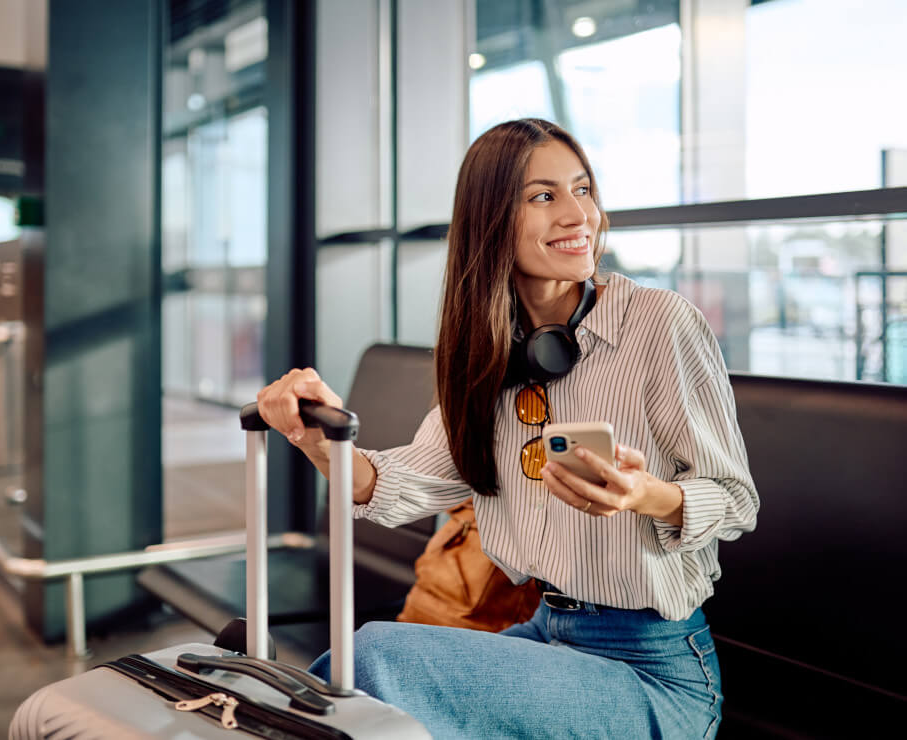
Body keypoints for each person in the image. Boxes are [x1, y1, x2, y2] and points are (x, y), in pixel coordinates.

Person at [256, 118, 758, 739]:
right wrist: (316, 437)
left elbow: (737, 501)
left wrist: (645, 495)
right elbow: (405, 484)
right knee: (350, 693)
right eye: (544, 196)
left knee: (372, 662)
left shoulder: (660, 324)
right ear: (492, 219)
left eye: (583, 189)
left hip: (653, 671)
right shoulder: (494, 350)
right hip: (547, 634)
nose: (579, 215)